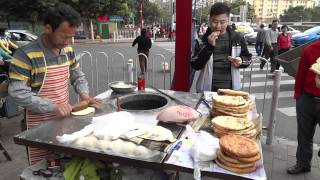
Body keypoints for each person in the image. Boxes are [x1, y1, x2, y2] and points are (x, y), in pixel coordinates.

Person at [8, 3, 101, 165]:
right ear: (48, 28)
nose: (68, 41)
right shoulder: (25, 55)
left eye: (71, 37)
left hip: (65, 118)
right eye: (64, 36)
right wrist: (52, 106)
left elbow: (77, 75)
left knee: (65, 160)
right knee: (43, 166)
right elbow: (18, 93)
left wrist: (84, 94)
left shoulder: (67, 50)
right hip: (38, 124)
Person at [191, 2, 251, 92]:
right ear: (209, 19)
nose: (218, 26)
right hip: (207, 90)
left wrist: (241, 61)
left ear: (228, 20)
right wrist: (209, 46)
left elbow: (248, 58)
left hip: (231, 90)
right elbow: (195, 65)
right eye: (215, 21)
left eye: (222, 22)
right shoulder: (202, 39)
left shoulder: (237, 38)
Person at [287, 40, 320, 174]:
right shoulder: (310, 49)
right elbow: (300, 74)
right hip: (307, 99)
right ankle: (303, 164)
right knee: (304, 136)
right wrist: (298, 95)